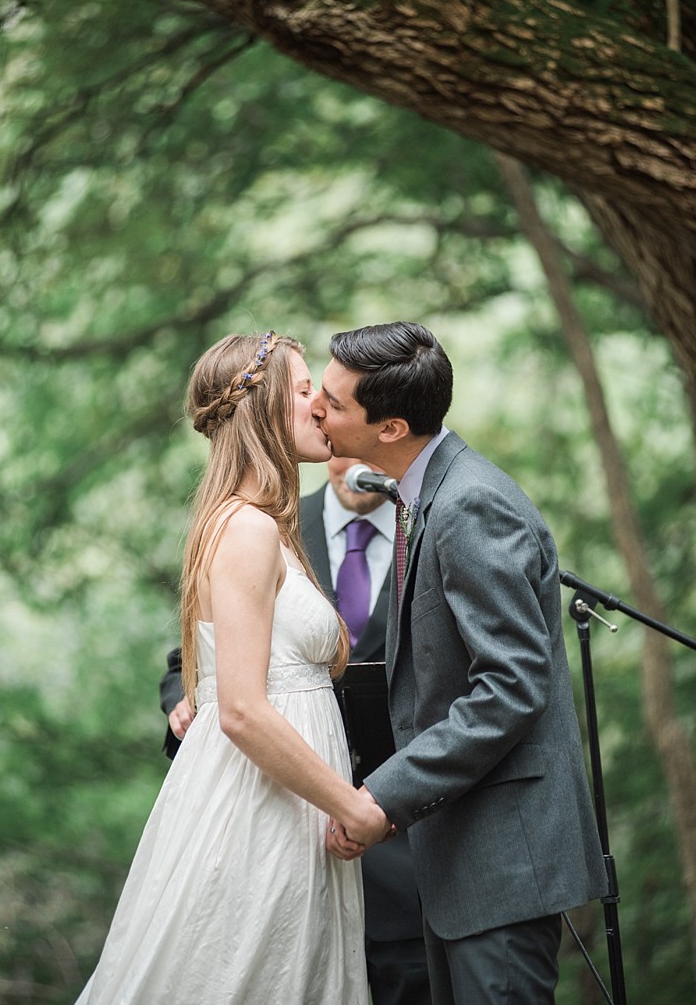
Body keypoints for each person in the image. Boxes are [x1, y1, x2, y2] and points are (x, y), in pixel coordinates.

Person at [75, 331, 392, 1005]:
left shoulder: (268, 525)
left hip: (291, 811)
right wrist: (351, 804)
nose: (322, 406)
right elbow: (243, 709)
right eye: (306, 391)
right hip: (261, 811)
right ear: (268, 408)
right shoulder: (246, 529)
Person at [314, 322, 608, 1005]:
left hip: (502, 864)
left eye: (332, 401)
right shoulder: (424, 492)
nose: (317, 410)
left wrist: (381, 796)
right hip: (463, 864)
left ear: (390, 427)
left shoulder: (469, 503)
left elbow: (509, 687)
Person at [160, 456, 433, 1005]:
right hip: (280, 827)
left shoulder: (429, 529)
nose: (351, 464)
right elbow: (188, 659)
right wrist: (183, 703)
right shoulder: (269, 527)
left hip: (405, 846)